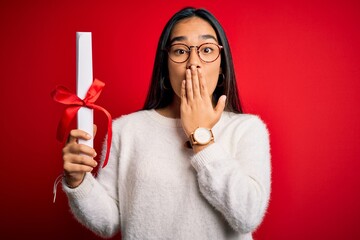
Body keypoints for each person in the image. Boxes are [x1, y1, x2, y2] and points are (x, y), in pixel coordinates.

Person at [62, 7, 271, 240]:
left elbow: (248, 216)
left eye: (207, 50)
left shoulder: (247, 129)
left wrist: (201, 137)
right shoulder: (126, 130)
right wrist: (78, 182)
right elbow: (108, 222)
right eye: (180, 51)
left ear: (222, 67)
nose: (193, 63)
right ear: (165, 66)